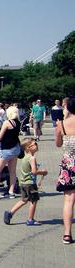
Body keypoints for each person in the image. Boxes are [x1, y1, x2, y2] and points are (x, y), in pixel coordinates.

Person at [3, 138, 47, 226]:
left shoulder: (24, 157)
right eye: (35, 144)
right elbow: (34, 171)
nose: (37, 145)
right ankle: (30, 220)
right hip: (30, 183)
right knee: (33, 201)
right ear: (29, 148)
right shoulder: (32, 158)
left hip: (23, 183)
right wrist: (43, 172)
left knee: (24, 200)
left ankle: (10, 213)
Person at [0, 106, 22, 200]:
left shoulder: (7, 122)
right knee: (12, 172)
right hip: (16, 149)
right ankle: (11, 192)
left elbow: (0, 137)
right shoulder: (18, 123)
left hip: (7, 150)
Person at [55, 97, 75, 244]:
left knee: (68, 200)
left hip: (68, 165)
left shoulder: (61, 124)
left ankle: (67, 234)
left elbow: (58, 144)